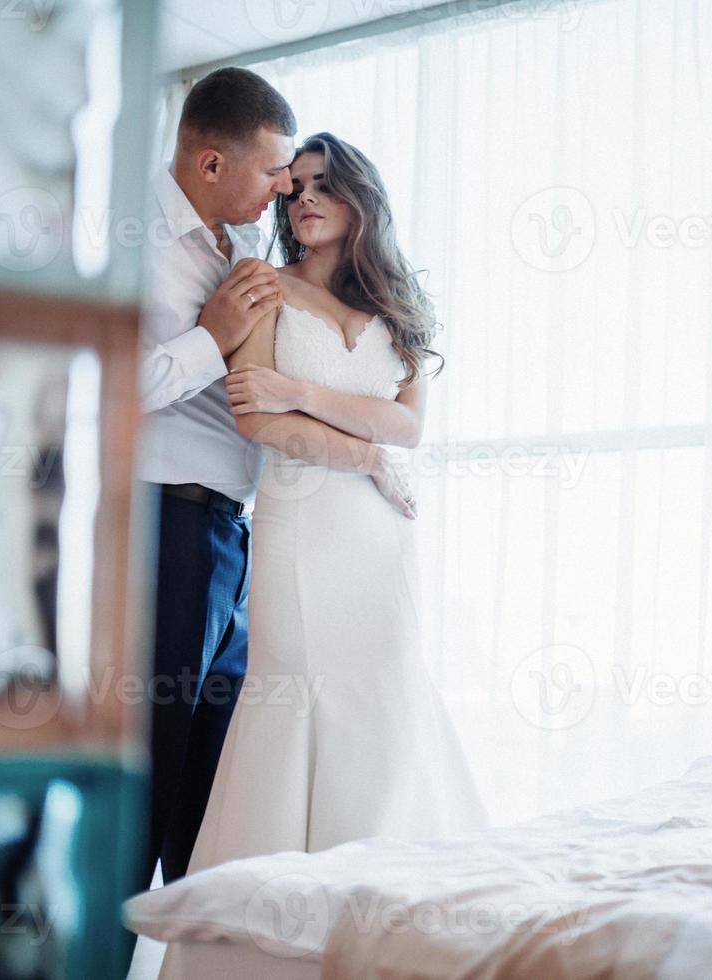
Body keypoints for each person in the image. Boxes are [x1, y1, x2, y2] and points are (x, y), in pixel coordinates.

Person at [179, 131, 487, 877]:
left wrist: (303, 393)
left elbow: (408, 426)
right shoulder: (263, 284)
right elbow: (255, 417)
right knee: (296, 692)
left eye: (325, 185)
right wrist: (362, 449)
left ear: (361, 199)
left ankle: (379, 891)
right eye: (299, 187)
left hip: (380, 533)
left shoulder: (400, 307)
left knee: (383, 686)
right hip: (303, 525)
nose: (307, 198)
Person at [136, 70, 413, 886]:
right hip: (164, 521)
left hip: (244, 530)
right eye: (276, 175)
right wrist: (211, 337)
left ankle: (199, 956)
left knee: (219, 777)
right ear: (214, 165)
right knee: (155, 759)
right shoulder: (130, 246)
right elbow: (104, 393)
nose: (286, 191)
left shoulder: (251, 245)